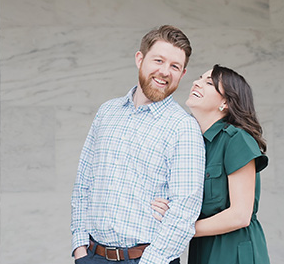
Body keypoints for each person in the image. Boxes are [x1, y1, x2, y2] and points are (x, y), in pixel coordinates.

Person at [71, 25, 205, 264]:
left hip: (148, 259)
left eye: (174, 66)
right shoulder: (107, 112)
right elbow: (84, 183)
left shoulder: (183, 127)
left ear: (183, 74)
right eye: (158, 60)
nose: (165, 72)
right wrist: (80, 247)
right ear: (140, 59)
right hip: (92, 256)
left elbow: (184, 210)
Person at [152, 64, 270, 264]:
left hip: (234, 251)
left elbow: (240, 215)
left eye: (209, 83)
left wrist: (180, 228)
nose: (196, 83)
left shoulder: (236, 140)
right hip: (203, 248)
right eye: (199, 78)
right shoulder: (193, 143)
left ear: (225, 102)